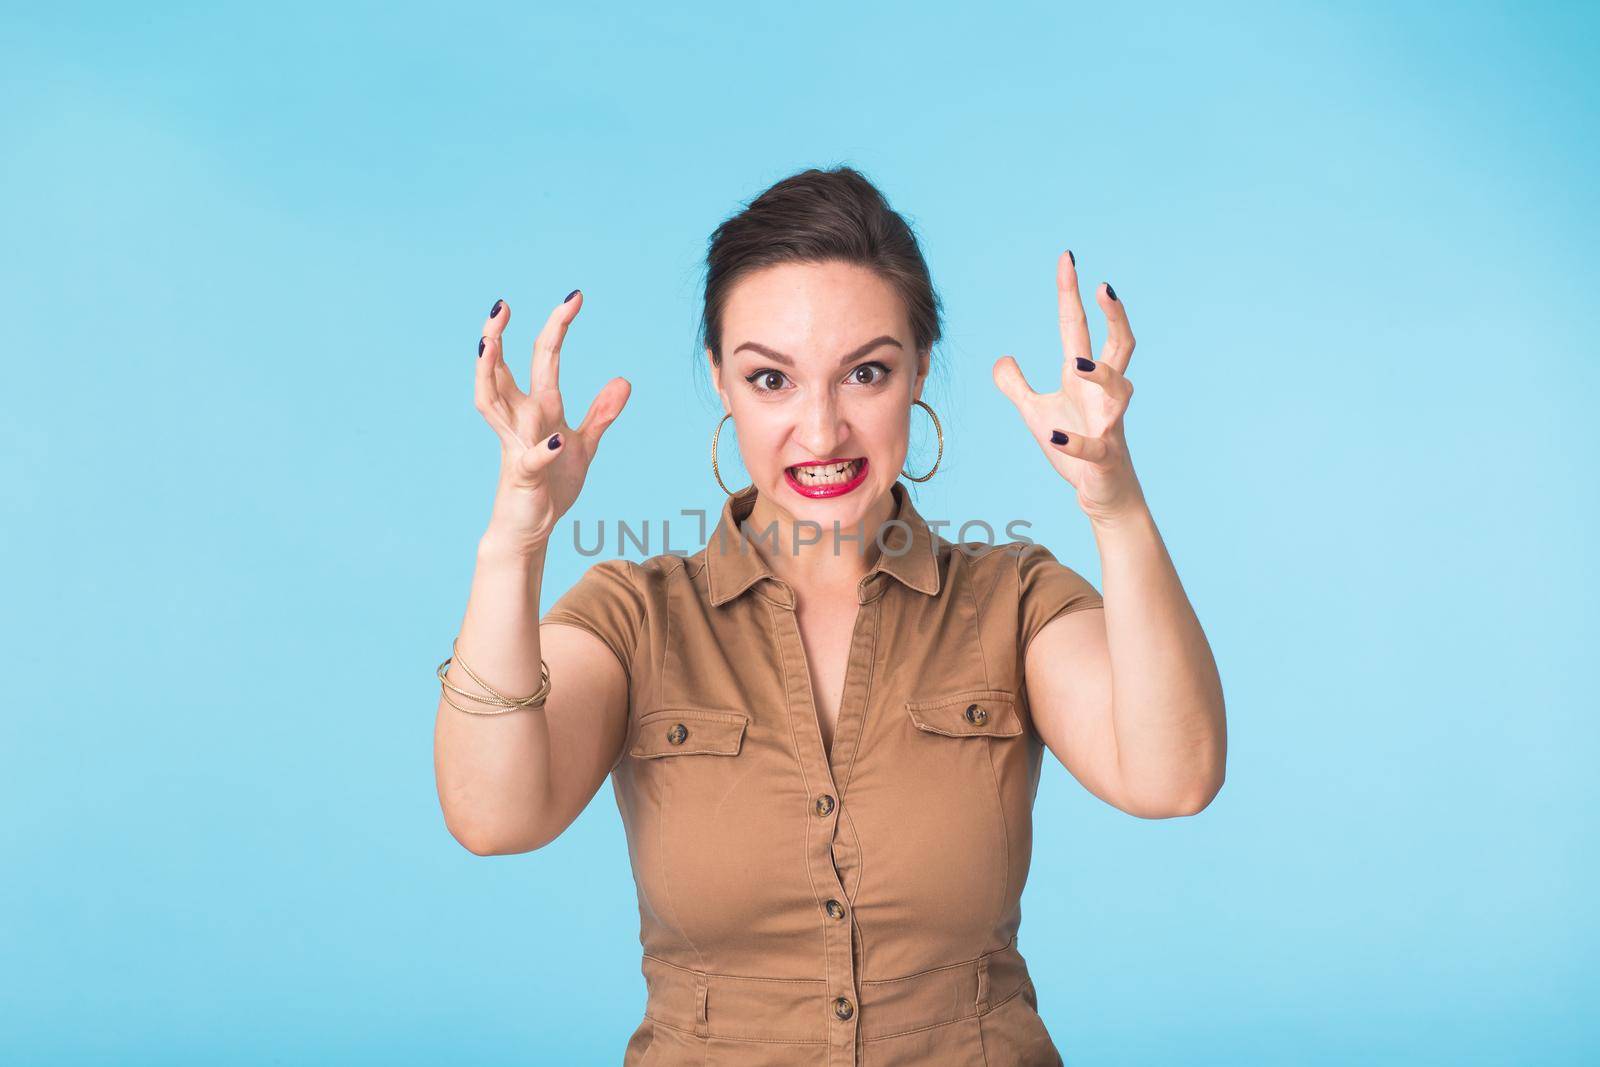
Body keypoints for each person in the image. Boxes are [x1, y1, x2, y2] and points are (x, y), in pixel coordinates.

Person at [432, 166, 1226, 1066]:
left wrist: (1115, 503)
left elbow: (1173, 777)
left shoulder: (1013, 601)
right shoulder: (636, 616)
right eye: (771, 378)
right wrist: (515, 538)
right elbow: (492, 816)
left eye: (866, 373)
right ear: (720, 383)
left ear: (920, 368)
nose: (820, 431)